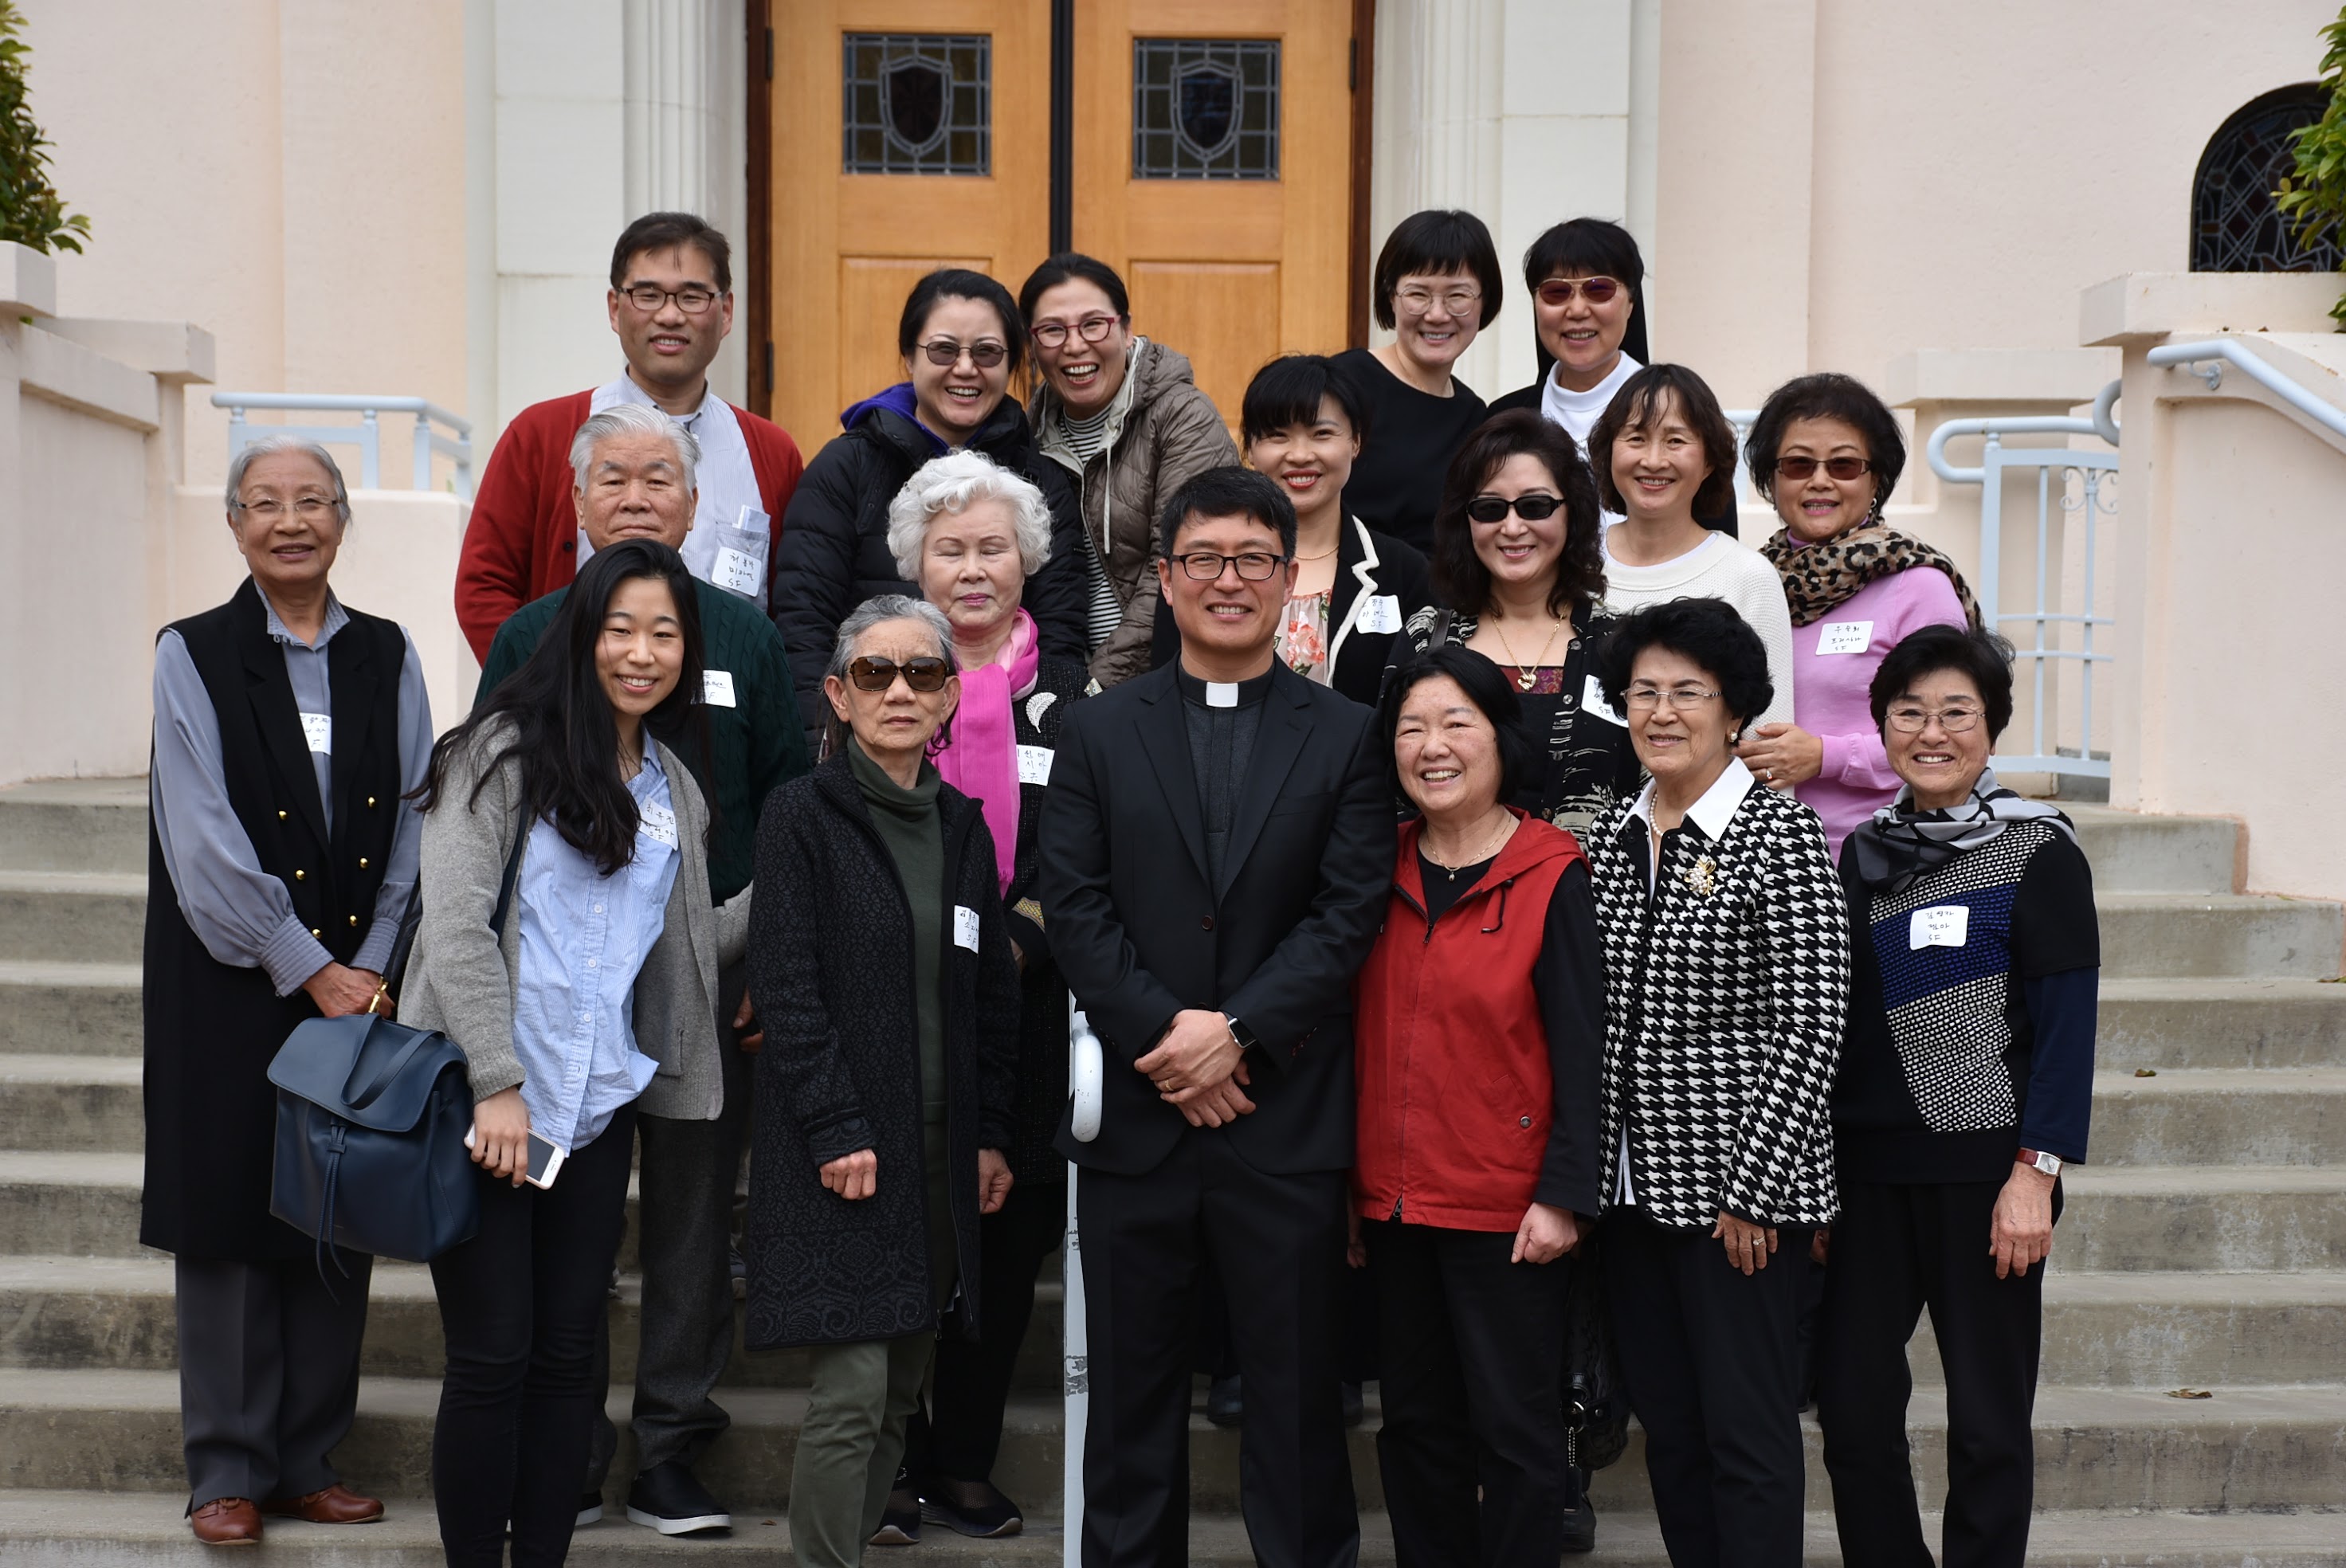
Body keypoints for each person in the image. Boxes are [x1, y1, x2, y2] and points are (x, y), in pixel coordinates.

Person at [1039, 465, 1392, 1568]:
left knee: (1294, 1406)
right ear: (1166, 575)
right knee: (1133, 1406)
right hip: (1143, 1128)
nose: (1227, 580)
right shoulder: (1099, 733)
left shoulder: (1345, 735)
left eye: (1252, 560)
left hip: (1281, 1119)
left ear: (1290, 580)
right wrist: (1171, 1042)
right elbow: (1077, 907)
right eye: (1204, 558)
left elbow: (1347, 917)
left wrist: (1232, 1034)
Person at [473, 399, 813, 1534]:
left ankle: (671, 1443)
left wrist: (767, 951)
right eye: (612, 478)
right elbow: (488, 822)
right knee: (564, 1226)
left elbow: (782, 801)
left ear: (696, 498)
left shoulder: (745, 635)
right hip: (559, 993)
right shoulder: (536, 634)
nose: (636, 496)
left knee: (688, 1215)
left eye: (659, 479)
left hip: (705, 973)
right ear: (575, 500)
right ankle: (563, 1442)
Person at [404, 539, 749, 1566]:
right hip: (490, 1115)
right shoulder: (500, 753)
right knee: (491, 1359)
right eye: (620, 628)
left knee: (568, 1364)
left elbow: (686, 944)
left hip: (595, 1113)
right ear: (580, 634)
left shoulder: (673, 786)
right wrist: (496, 1083)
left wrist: (793, 878)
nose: (641, 653)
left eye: (665, 633)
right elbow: (455, 926)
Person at [143, 436, 423, 1546]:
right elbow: (201, 839)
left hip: (356, 986)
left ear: (343, 521)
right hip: (228, 980)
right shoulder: (192, 653)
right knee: (223, 1221)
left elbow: (414, 813)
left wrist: (373, 966)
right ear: (235, 523)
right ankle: (226, 1469)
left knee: (329, 1214)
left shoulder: (389, 654)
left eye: (313, 502)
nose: (291, 521)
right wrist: (306, 965)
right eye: (267, 504)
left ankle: (310, 1457)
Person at [741, 595, 1020, 1568]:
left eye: (923, 674)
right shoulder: (800, 816)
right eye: (873, 673)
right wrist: (832, 1126)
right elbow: (788, 984)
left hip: (944, 1151)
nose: (899, 690)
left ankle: (853, 1546)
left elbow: (989, 998)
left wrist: (989, 1135)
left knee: (905, 1383)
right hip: (846, 1150)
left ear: (950, 697)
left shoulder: (965, 828)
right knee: (856, 1389)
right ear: (836, 695)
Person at [1816, 625, 2097, 1568]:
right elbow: (1839, 1023)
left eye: (1955, 714)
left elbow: (2066, 1026)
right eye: (1909, 713)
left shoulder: (2036, 851)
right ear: (1882, 728)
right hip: (1865, 1173)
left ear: (1991, 729)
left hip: (1988, 1174)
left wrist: (2035, 1172)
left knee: (1986, 1419)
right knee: (1852, 1405)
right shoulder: (1861, 853)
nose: (1931, 732)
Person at [1582, 597, 1848, 1568]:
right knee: (1674, 1431)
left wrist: (1757, 1191)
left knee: (1748, 1436)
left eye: (1686, 693)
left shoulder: (1781, 837)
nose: (1660, 711)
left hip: (1740, 1203)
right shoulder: (1613, 836)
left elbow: (1811, 1024)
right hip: (1631, 1195)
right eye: (1642, 691)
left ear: (1733, 710)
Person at [869, 453, 1089, 1541]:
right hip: (900, 1008)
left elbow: (1089, 853)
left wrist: (1019, 934)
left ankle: (964, 1460)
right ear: (916, 560)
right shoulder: (882, 675)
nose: (971, 567)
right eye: (949, 549)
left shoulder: (1075, 696)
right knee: (904, 1238)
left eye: (991, 547)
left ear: (1028, 562)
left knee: (1006, 1248)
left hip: (1029, 1007)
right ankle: (896, 1468)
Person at [1352, 645, 1606, 1562]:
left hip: (1509, 1208)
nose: (1432, 747)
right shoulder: (1372, 870)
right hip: (1393, 1199)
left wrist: (1563, 1192)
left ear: (1501, 738)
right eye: (1411, 728)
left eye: (1457, 722)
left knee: (1516, 1430)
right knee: (1415, 1425)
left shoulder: (1550, 870)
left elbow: (1585, 1049)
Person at [455, 212, 805, 657]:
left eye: (693, 296)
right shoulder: (542, 436)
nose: (670, 314)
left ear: (727, 311)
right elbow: (483, 586)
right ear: (615, 309)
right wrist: (544, 687)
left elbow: (793, 605)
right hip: (571, 711)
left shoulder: (772, 452)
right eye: (648, 294)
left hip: (723, 712)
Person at [774, 268, 1089, 731]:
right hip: (872, 735)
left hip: (1010, 737)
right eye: (944, 349)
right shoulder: (848, 468)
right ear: (909, 356)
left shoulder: (1040, 480)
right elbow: (805, 621)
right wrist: (823, 742)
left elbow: (1059, 628)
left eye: (987, 352)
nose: (966, 368)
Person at [1736, 373, 1979, 856]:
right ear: (1772, 478)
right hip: (1763, 863)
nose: (1820, 480)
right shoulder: (1750, 582)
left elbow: (1954, 733)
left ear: (1875, 481)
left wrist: (1824, 756)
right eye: (1798, 464)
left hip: (1885, 854)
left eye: (1844, 465)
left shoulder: (1917, 585)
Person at [1153, 355, 1437, 708]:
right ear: (1251, 448)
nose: (1300, 455)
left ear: (1356, 442)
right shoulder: (1200, 563)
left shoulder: (1404, 573)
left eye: (1321, 434)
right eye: (1278, 436)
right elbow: (1164, 690)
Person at [1406, 410, 1635, 833]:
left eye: (1535, 506)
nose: (1512, 527)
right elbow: (1387, 787)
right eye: (1491, 509)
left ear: (1573, 512)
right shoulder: (1427, 639)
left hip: (1589, 893)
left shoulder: (1620, 647)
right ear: (1466, 519)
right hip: (1449, 892)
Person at [1020, 252, 1238, 688]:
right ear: (1032, 343)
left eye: (1093, 324)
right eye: (1052, 330)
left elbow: (1178, 567)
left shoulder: (1182, 416)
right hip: (1061, 679)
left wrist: (1095, 690)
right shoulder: (1029, 430)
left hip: (1164, 677)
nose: (1075, 345)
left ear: (1125, 326)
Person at [1488, 217, 1736, 535]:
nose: (1577, 310)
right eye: (1556, 292)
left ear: (1631, 302)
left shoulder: (1684, 409)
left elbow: (1716, 535)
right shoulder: (1502, 418)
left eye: (1598, 289)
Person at [1590, 363, 1795, 731]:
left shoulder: (1748, 577)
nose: (1653, 460)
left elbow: (1767, 746)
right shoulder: (1573, 563)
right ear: (1608, 453)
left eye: (1676, 441)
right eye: (1635, 438)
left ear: (1709, 462)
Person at [1333, 210, 1505, 555]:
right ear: (1391, 295)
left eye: (1458, 296)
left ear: (1484, 301)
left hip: (1431, 603)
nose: (1437, 314)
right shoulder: (1343, 384)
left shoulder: (1475, 416)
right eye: (1418, 294)